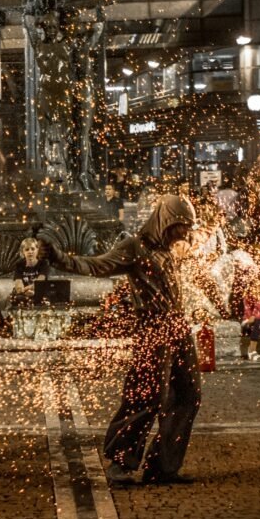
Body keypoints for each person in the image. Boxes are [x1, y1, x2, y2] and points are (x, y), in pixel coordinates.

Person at [49, 194, 200, 485]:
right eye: (181, 226)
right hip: (153, 328)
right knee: (146, 395)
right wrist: (59, 259)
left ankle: (163, 467)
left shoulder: (170, 250)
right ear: (166, 220)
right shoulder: (135, 247)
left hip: (178, 327)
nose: (185, 233)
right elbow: (96, 266)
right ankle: (121, 461)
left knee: (188, 396)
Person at [10, 237, 49, 306]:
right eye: (27, 249)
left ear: (37, 250)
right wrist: (26, 291)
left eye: (33, 249)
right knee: (15, 298)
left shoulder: (44, 264)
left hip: (39, 294)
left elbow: (39, 283)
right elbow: (18, 286)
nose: (30, 252)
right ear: (23, 252)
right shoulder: (19, 265)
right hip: (23, 295)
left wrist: (30, 290)